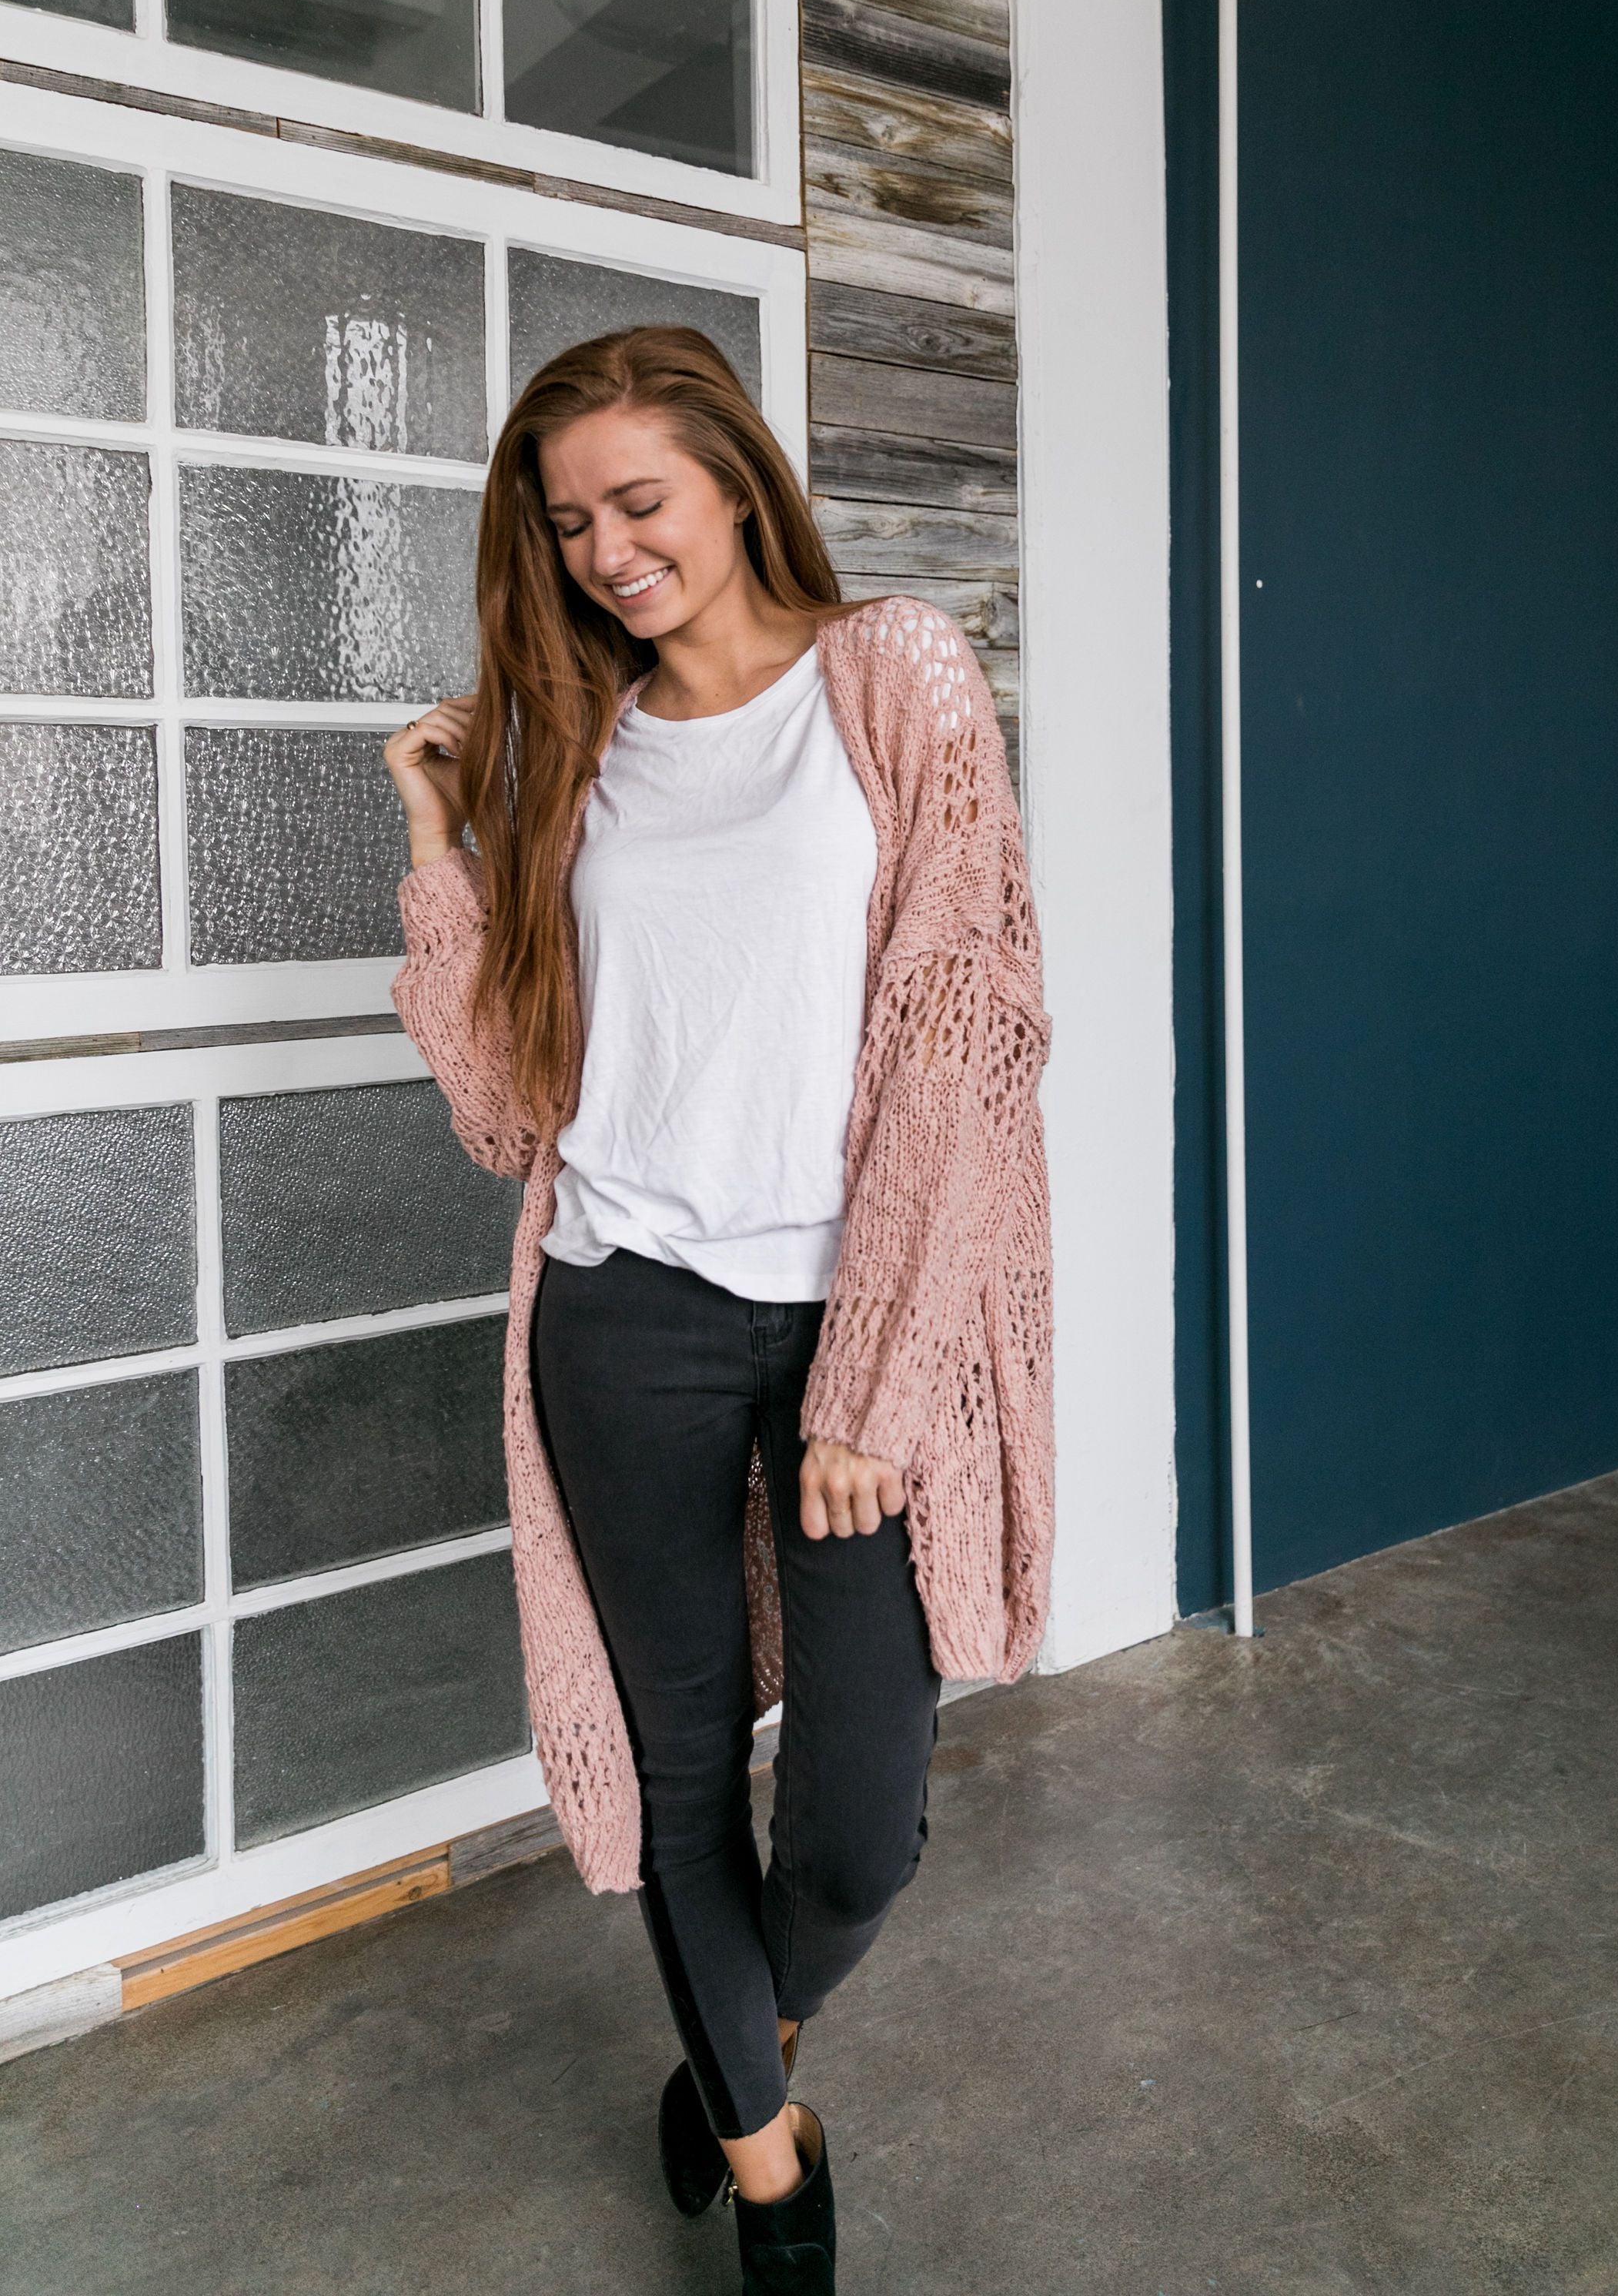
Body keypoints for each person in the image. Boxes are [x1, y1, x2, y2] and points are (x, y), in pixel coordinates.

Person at [383, 326, 1053, 2292]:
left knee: (858, 1821)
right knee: (682, 1776)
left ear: (741, 486)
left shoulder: (896, 677)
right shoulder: (574, 756)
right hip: (622, 1318)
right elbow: (514, 1106)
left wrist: (879, 1382)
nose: (604, 549)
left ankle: (737, 2050)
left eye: (639, 501)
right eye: (568, 520)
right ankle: (774, 2183)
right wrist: (444, 850)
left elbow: (968, 1038)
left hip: (855, 1334)